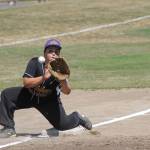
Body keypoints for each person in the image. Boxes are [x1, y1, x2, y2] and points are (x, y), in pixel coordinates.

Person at [0, 38, 92, 138]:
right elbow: (26, 83)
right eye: (50, 51)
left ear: (59, 55)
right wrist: (43, 77)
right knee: (7, 94)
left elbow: (67, 91)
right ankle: (8, 128)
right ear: (44, 54)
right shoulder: (35, 62)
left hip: (49, 100)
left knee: (63, 125)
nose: (53, 54)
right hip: (29, 95)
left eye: (56, 52)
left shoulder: (60, 69)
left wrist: (62, 79)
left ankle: (78, 118)